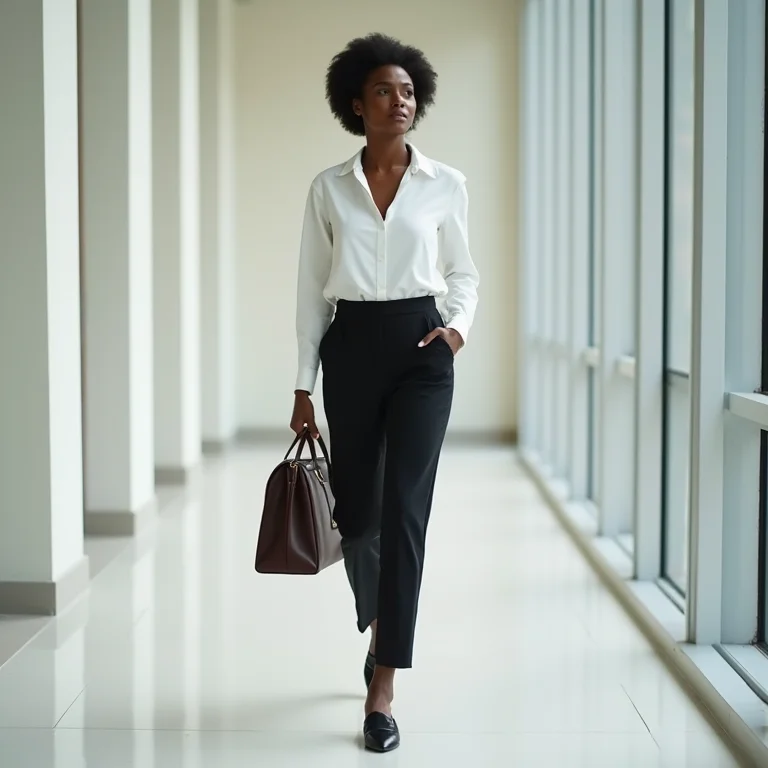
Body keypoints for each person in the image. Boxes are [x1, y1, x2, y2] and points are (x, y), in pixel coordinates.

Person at [289, 32, 479, 753]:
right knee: (359, 514)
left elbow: (465, 272)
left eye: (407, 91)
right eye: (383, 91)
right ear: (354, 105)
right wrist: (303, 384)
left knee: (405, 509)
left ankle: (384, 683)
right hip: (354, 346)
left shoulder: (445, 184)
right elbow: (311, 292)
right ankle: (379, 622)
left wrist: (456, 330)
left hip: (423, 349)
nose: (399, 101)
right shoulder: (328, 188)